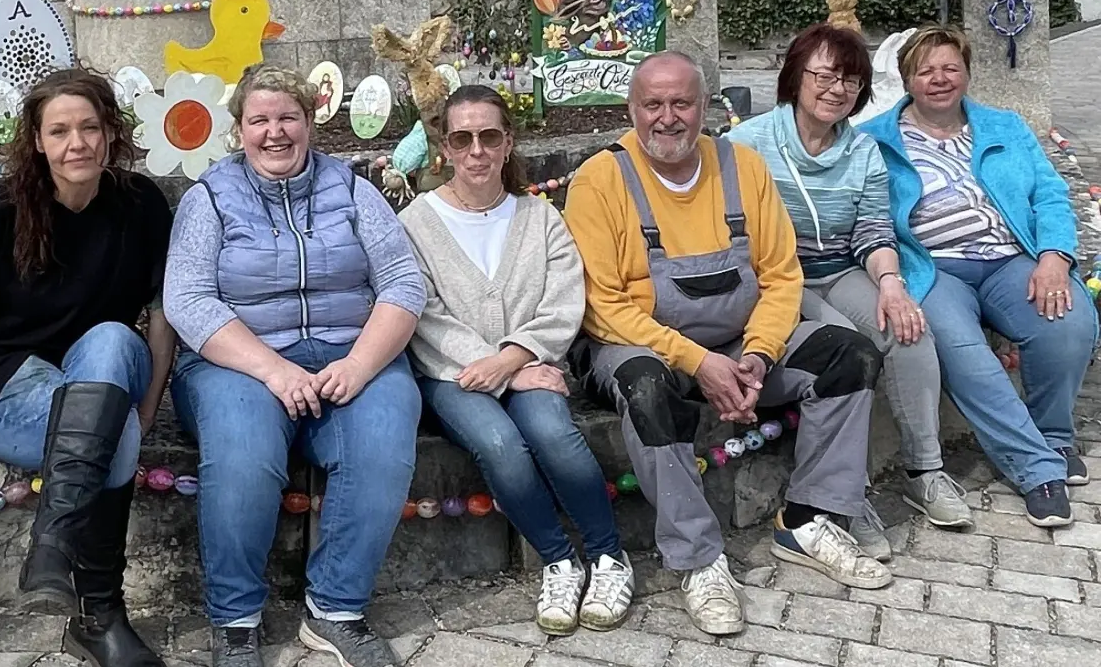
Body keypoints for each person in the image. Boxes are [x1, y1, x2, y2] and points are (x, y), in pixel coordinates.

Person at [565, 51, 891, 637]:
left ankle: (808, 518)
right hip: (638, 345)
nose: (668, 118)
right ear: (631, 110)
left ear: (706, 107)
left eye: (682, 103)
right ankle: (698, 559)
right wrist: (699, 362)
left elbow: (781, 274)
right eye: (653, 105)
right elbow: (602, 305)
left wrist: (759, 356)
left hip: (742, 341)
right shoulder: (599, 180)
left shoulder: (741, 166)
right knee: (645, 391)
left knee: (851, 355)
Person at [165, 65, 426, 667]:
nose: (274, 133)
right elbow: (188, 300)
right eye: (259, 120)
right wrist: (273, 371)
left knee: (385, 434)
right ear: (239, 130)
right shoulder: (208, 197)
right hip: (235, 361)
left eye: (288, 118)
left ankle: (335, 610)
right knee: (242, 447)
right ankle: (236, 620)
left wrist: (360, 367)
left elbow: (403, 283)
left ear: (310, 122)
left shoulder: (354, 189)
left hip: (348, 353)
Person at [0, 69, 174, 667]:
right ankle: (101, 617)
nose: (76, 143)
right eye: (59, 131)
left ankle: (53, 546)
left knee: (113, 337)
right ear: (36, 140)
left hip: (103, 369)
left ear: (111, 131)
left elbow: (162, 316)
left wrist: (145, 406)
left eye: (90, 127)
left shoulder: (140, 206)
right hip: (2, 384)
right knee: (108, 440)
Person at [730, 24, 972, 560]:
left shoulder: (863, 151)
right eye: (825, 74)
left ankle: (924, 470)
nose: (837, 88)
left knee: (906, 332)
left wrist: (891, 286)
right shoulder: (747, 144)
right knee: (844, 347)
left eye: (851, 79)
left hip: (842, 269)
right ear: (796, 76)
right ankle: (847, 496)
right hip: (780, 279)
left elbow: (873, 231)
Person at [400, 85, 634, 635]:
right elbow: (425, 314)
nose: (476, 150)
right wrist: (494, 362)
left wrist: (514, 359)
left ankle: (607, 556)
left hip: (529, 363)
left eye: (489, 136)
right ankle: (558, 560)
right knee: (500, 443)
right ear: (445, 147)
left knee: (554, 435)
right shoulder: (416, 223)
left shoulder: (540, 218)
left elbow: (563, 301)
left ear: (508, 143)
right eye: (463, 138)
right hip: (450, 373)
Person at [859, 25, 1097, 528]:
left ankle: (1053, 436)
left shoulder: (1003, 126)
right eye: (926, 70)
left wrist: (1055, 255)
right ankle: (1037, 470)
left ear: (967, 73)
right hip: (935, 266)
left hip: (1012, 257)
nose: (939, 79)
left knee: (1069, 321)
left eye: (950, 68)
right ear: (907, 79)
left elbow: (1050, 196)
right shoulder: (874, 141)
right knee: (966, 355)